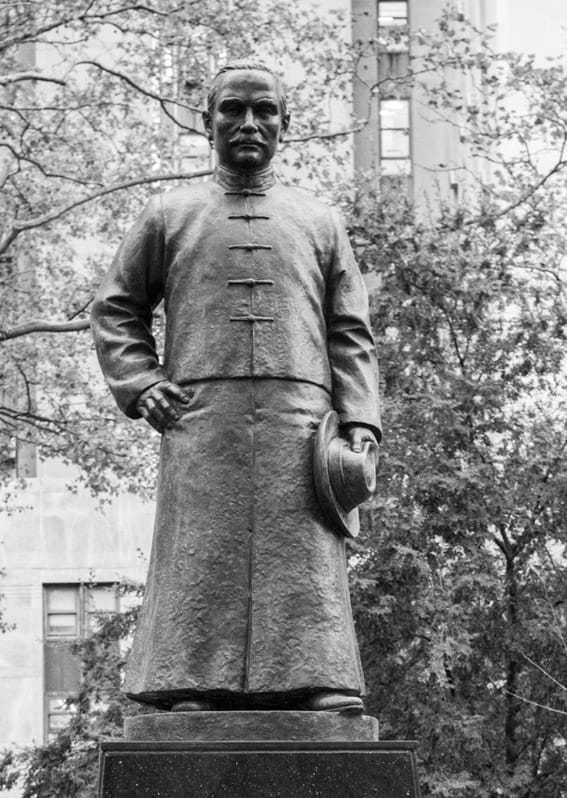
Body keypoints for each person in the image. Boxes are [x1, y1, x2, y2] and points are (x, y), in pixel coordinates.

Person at [91, 65, 379, 711]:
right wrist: (141, 382)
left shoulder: (320, 220)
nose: (249, 123)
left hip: (301, 422)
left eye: (264, 111)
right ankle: (187, 679)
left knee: (302, 563)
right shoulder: (168, 215)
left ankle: (319, 678)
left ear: (285, 124)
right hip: (203, 414)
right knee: (201, 555)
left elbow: (349, 330)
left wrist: (360, 421)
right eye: (233, 110)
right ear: (208, 121)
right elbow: (116, 308)